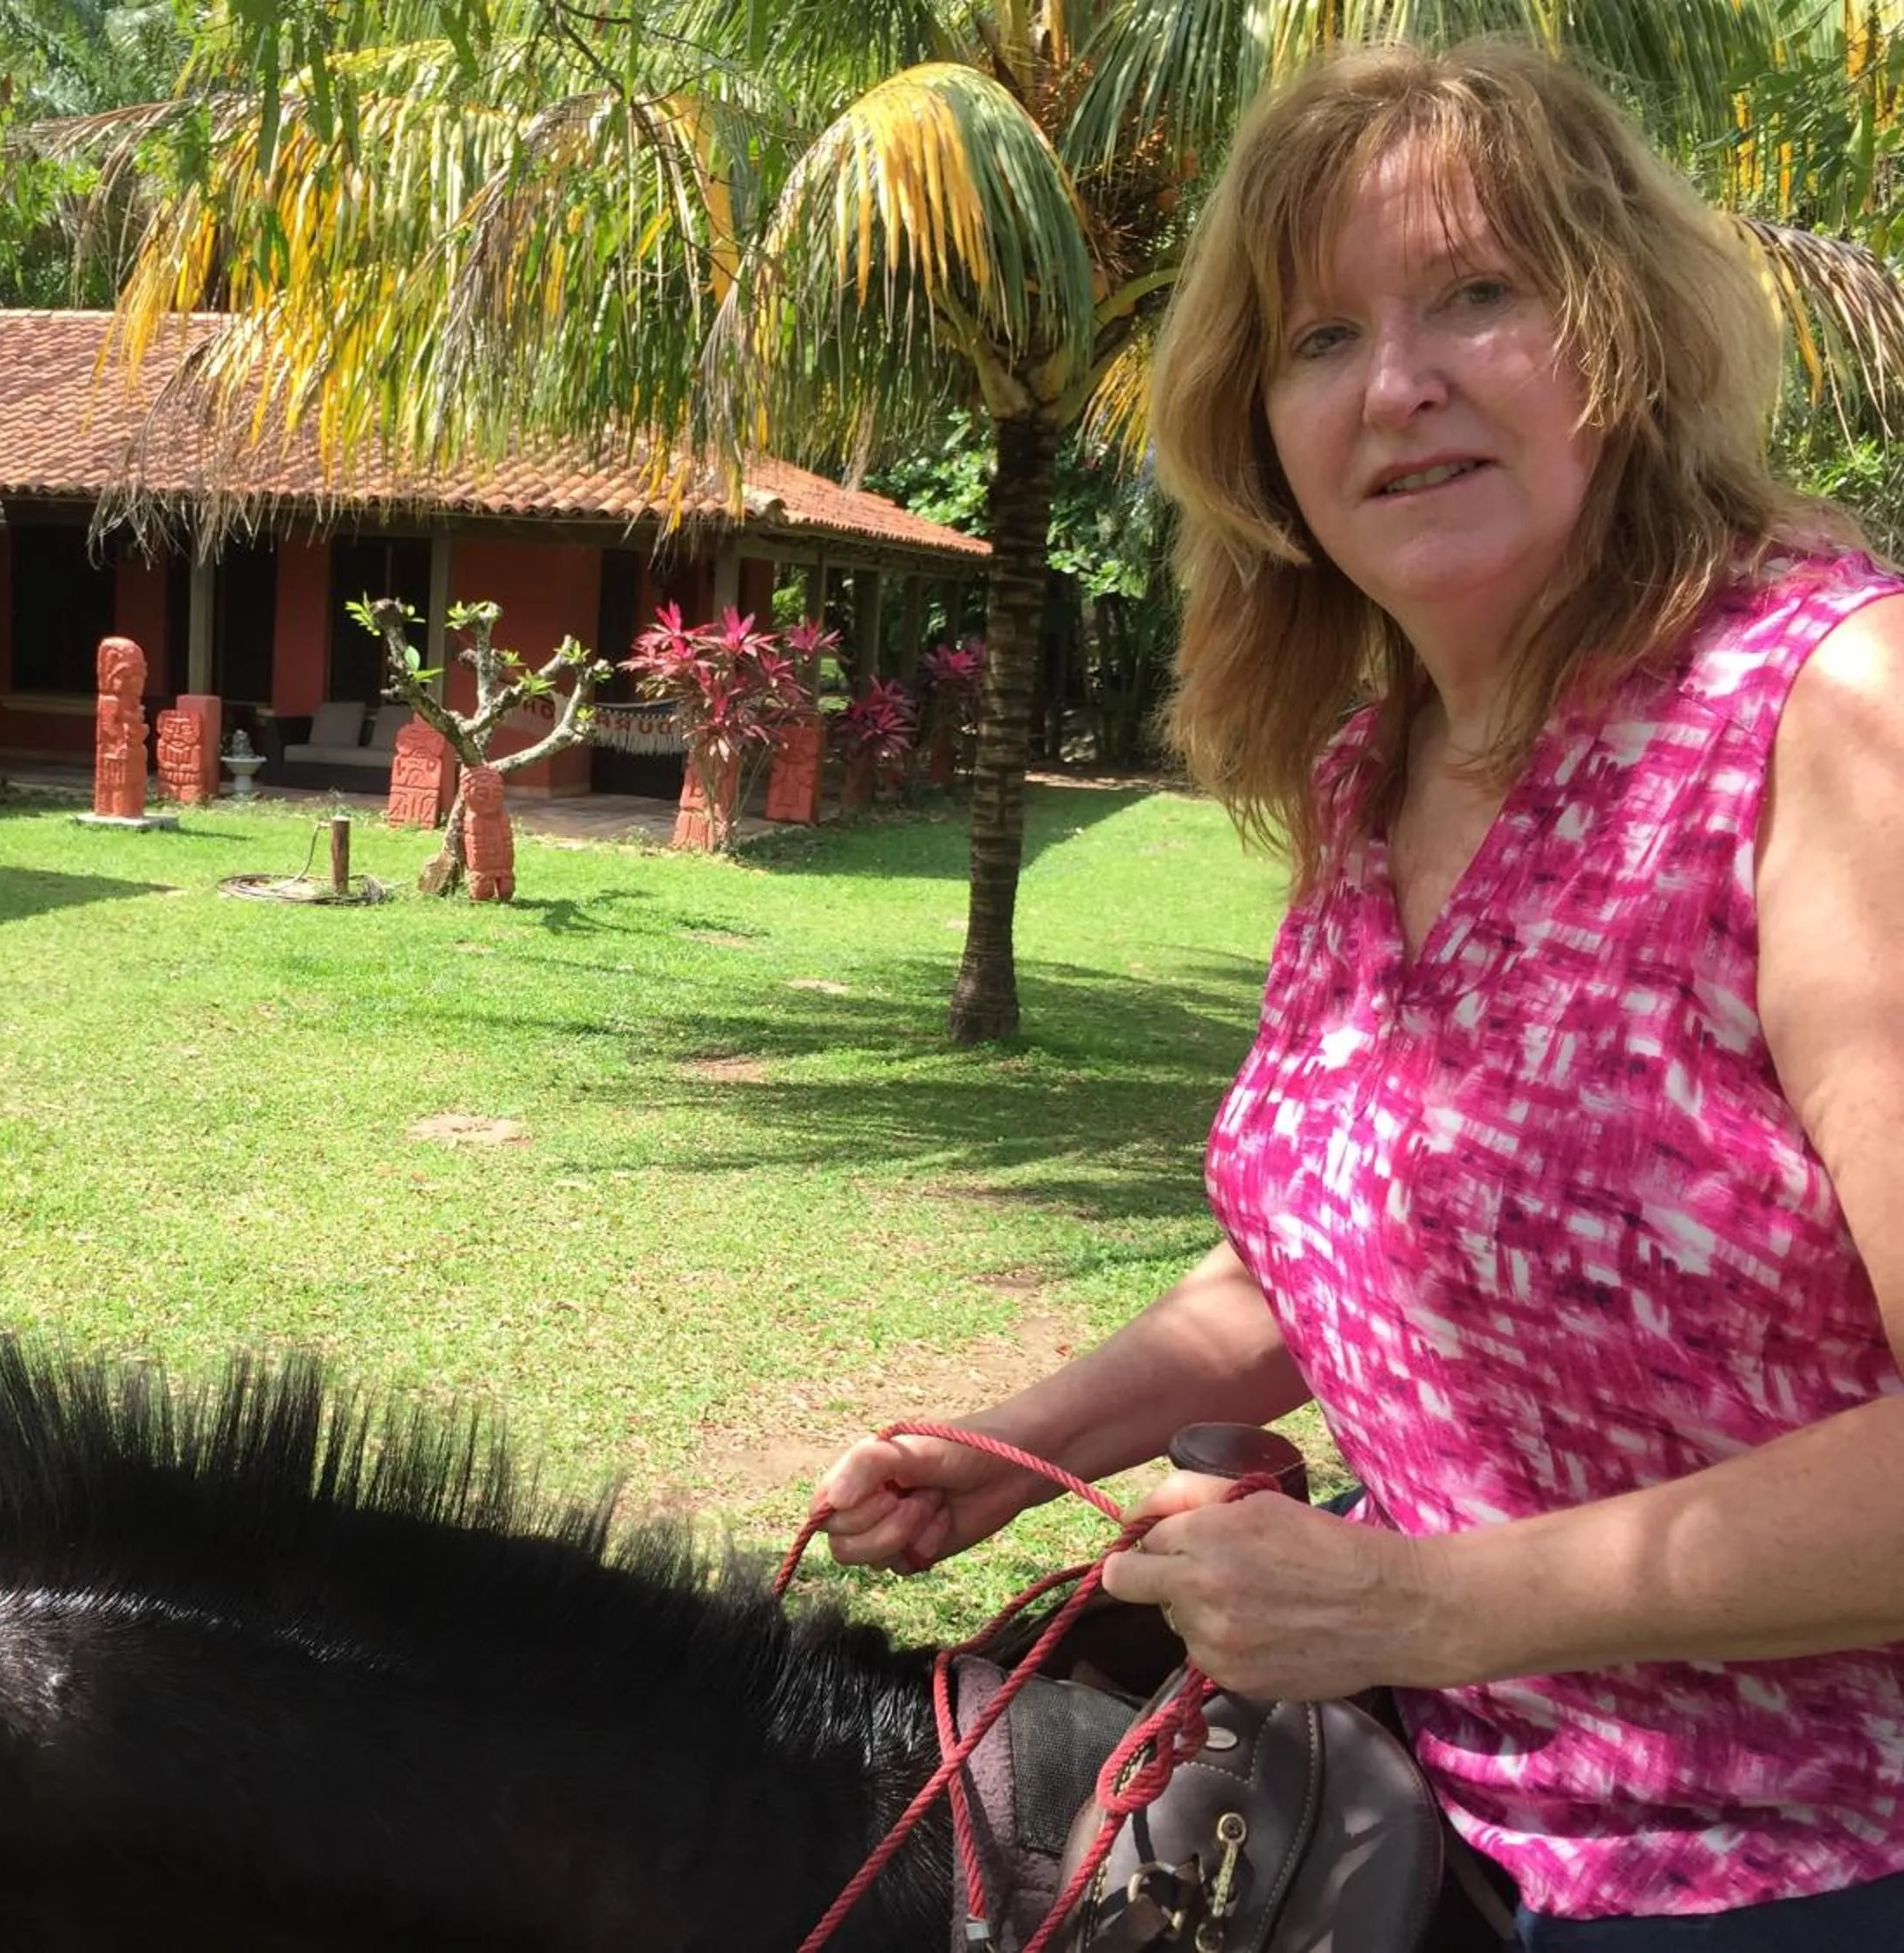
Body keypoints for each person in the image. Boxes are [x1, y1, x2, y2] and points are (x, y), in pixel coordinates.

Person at [813, 39, 1904, 1950]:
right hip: (1442, 1834)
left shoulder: (1834, 717)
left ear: (1622, 337)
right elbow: (1321, 1258)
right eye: (1319, 339)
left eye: (1478, 296)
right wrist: (1022, 1445)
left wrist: (1411, 1606)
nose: (1397, 385)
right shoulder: (1365, 775)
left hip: (1812, 1870)